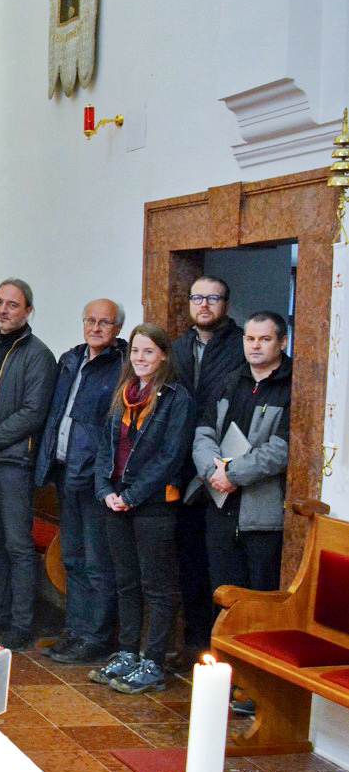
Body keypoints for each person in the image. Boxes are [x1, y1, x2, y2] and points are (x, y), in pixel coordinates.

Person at [91, 324, 195, 695]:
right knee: (126, 583)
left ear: (164, 355)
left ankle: (153, 660)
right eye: (136, 351)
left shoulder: (176, 398)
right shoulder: (123, 393)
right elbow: (105, 447)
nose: (140, 358)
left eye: (149, 352)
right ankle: (127, 653)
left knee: (158, 588)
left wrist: (133, 495)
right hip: (115, 500)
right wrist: (105, 489)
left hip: (153, 504)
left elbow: (171, 457)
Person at [34, 300, 126, 665]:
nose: (96, 328)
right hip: (63, 471)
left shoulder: (120, 365)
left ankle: (97, 636)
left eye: (105, 322)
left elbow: (114, 428)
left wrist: (102, 475)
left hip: (94, 478)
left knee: (95, 562)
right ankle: (74, 629)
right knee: (71, 558)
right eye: (91, 320)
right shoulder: (70, 360)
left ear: (118, 328)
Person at [0, 278, 57, 649]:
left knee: (17, 544)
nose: (4, 311)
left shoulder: (38, 354)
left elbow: (33, 411)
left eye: (12, 305)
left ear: (28, 311)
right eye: (0, 303)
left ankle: (22, 623)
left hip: (13, 461)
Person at [169, 275, 244, 662]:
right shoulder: (178, 347)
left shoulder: (241, 345)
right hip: (181, 467)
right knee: (188, 561)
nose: (204, 305)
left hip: (224, 470)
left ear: (226, 304)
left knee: (222, 565)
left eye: (213, 298)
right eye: (197, 297)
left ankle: (223, 647)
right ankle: (194, 641)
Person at [191, 311, 292, 595]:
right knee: (222, 594)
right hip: (220, 505)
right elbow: (204, 432)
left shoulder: (293, 386)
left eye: (265, 339)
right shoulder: (230, 380)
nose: (255, 346)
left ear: (282, 342)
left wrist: (233, 474)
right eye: (250, 338)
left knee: (258, 598)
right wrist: (214, 473)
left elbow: (282, 449)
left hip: (262, 515)